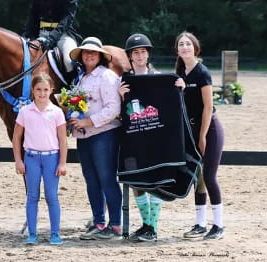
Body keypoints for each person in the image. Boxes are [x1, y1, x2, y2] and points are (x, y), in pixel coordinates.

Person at [118, 33, 184, 242]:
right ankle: (147, 225)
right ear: (130, 56)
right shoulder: (124, 80)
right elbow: (120, 112)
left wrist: (178, 88)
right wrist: (119, 95)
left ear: (148, 54)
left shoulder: (159, 77)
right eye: (135, 52)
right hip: (135, 139)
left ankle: (152, 227)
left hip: (156, 138)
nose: (139, 56)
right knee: (137, 181)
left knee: (156, 181)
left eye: (143, 52)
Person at [68, 37, 123, 240]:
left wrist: (88, 122)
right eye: (85, 52)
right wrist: (72, 119)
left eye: (93, 52)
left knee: (106, 178)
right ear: (81, 56)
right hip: (84, 136)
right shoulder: (81, 78)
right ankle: (99, 222)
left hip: (104, 133)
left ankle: (115, 224)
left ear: (100, 56)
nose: (89, 55)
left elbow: (113, 108)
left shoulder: (107, 76)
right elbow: (77, 106)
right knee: (91, 180)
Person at [175, 32, 225, 240]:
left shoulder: (202, 72)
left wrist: (202, 136)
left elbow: (208, 107)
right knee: (198, 178)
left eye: (188, 43)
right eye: (181, 44)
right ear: (177, 50)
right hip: (192, 130)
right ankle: (200, 223)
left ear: (195, 48)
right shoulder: (180, 74)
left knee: (210, 177)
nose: (185, 47)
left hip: (210, 129)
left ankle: (219, 225)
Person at [12, 73, 68, 245]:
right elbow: (16, 138)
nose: (42, 93)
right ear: (33, 90)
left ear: (51, 90)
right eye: (38, 90)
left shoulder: (57, 112)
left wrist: (62, 162)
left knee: (52, 196)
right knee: (32, 196)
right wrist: (19, 161)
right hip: (31, 158)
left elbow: (63, 140)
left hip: (51, 159)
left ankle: (55, 233)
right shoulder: (24, 111)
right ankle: (32, 234)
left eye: (45, 89)